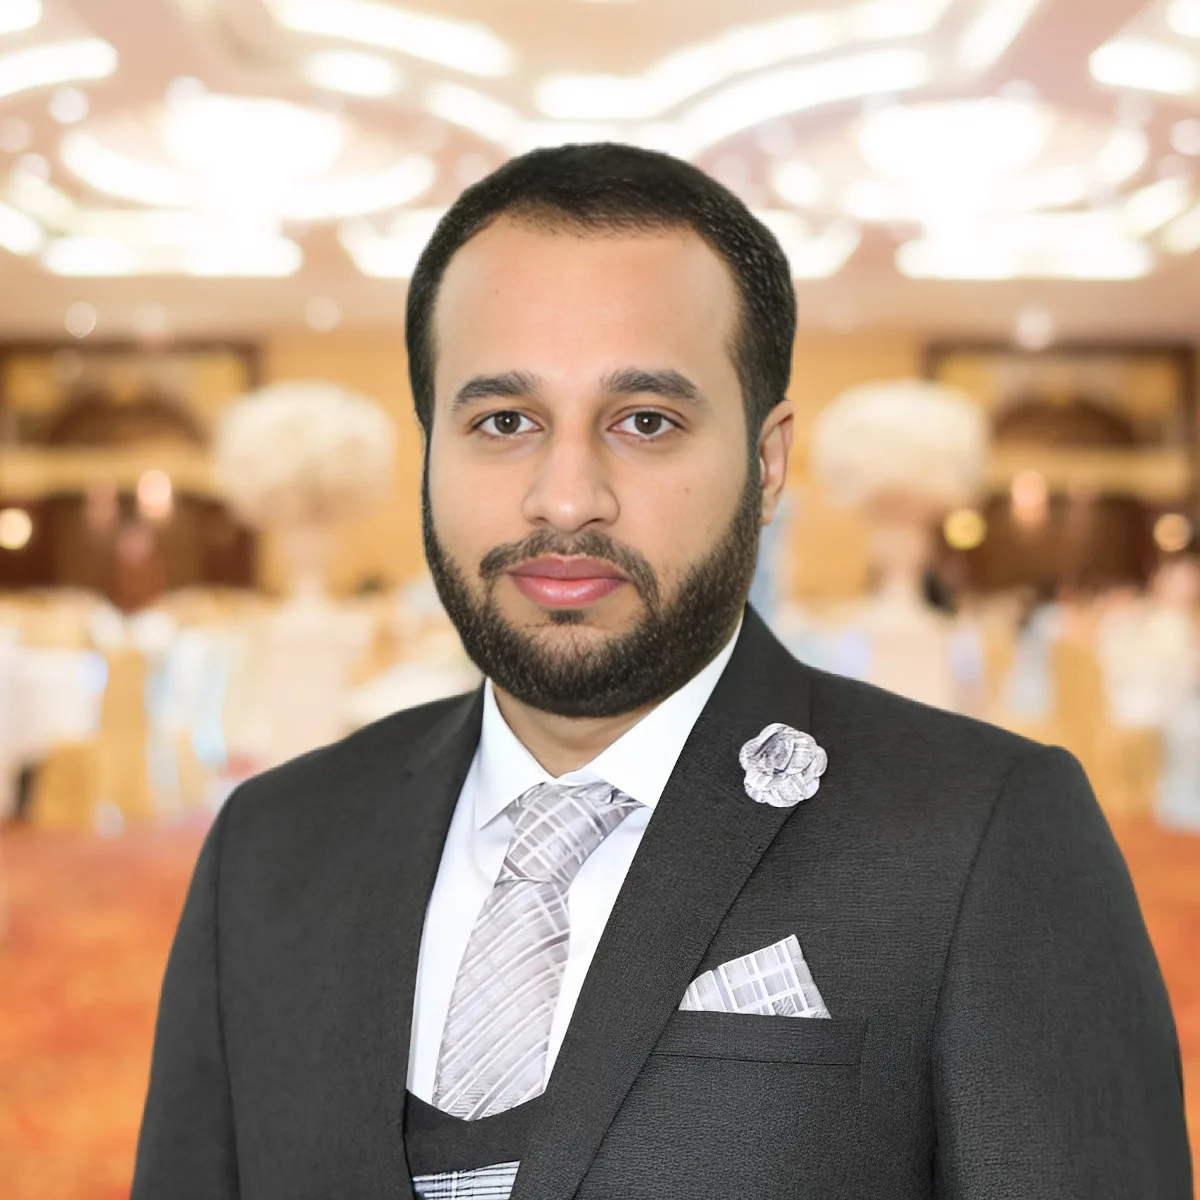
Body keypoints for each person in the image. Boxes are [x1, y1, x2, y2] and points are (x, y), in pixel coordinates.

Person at [131, 144, 1192, 1200]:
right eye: (504, 422)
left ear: (766, 465)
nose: (565, 498)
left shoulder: (983, 833)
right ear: (431, 453)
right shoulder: (272, 845)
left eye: (645, 422)